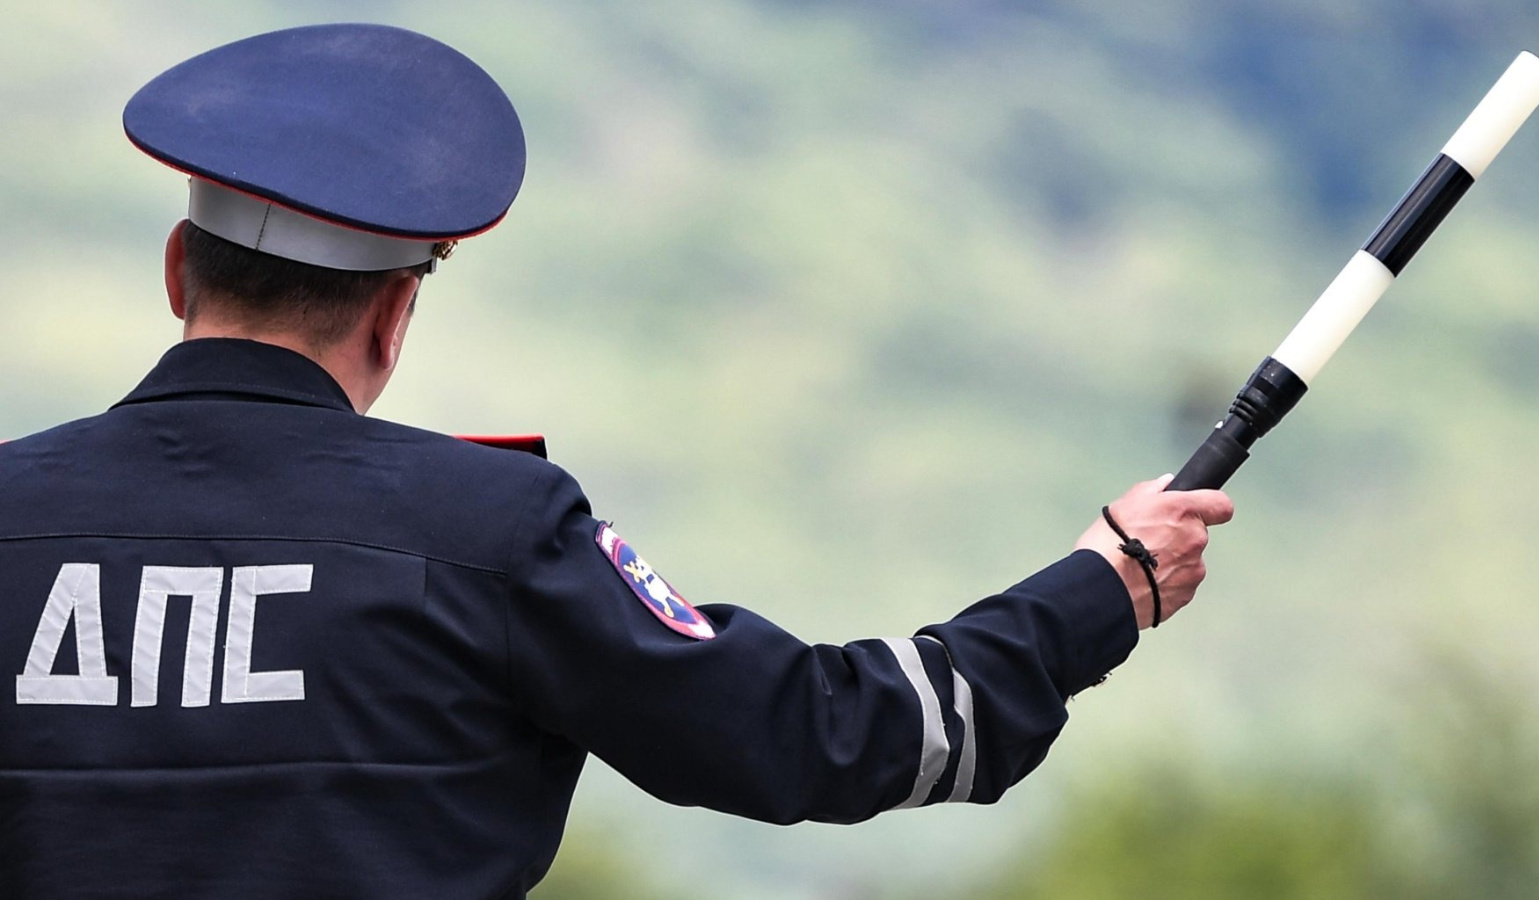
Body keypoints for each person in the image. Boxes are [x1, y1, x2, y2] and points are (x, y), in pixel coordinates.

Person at [0, 23, 1233, 899]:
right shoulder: (489, 532)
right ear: (393, 314)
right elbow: (822, 738)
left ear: (177, 270)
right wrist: (1098, 588)